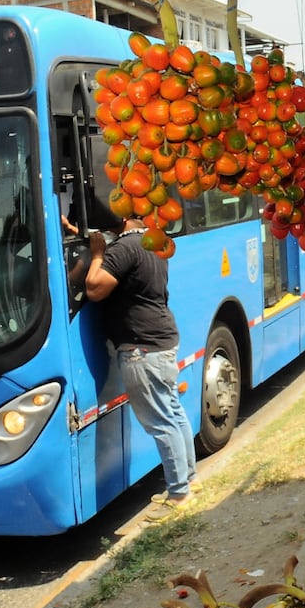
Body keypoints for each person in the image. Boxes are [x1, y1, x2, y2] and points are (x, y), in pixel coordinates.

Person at [85, 217, 198, 522]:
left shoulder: (123, 249)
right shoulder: (152, 241)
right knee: (173, 412)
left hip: (141, 348)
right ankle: (187, 480)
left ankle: (179, 494)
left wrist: (97, 255)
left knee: (160, 421)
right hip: (161, 339)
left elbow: (95, 289)